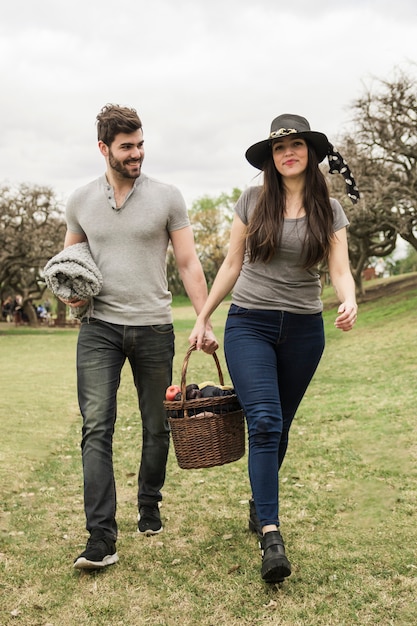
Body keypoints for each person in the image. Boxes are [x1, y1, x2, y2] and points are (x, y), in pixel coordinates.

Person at [189, 114, 359, 584]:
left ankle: (257, 505)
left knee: (278, 426)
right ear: (271, 156)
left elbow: (340, 270)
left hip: (305, 330)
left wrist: (349, 300)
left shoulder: (329, 209)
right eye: (280, 147)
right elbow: (231, 263)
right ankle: (271, 533)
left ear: (309, 152)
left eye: (297, 145)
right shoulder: (253, 200)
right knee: (263, 420)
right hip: (250, 322)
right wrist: (204, 316)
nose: (289, 153)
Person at [60, 104, 218, 570]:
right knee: (96, 427)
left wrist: (204, 318)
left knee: (156, 424)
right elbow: (71, 263)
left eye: (141, 144)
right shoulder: (80, 200)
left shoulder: (168, 196)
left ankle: (149, 503)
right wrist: (71, 294)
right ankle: (100, 538)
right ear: (103, 148)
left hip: (153, 326)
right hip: (98, 329)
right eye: (127, 147)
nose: (137, 154)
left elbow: (188, 263)